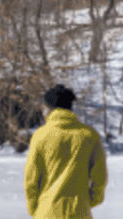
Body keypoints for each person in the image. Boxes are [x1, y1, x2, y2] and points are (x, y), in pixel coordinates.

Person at [24, 84, 107, 219]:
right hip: (79, 211)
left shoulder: (41, 136)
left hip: (47, 212)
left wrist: (35, 209)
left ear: (48, 108)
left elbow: (31, 179)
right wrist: (90, 201)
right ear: (71, 107)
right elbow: (99, 175)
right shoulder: (89, 135)